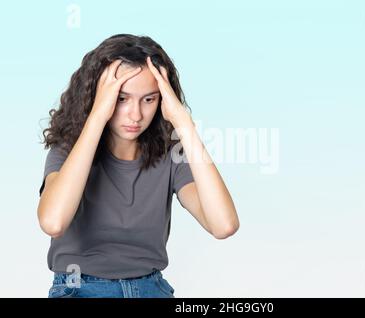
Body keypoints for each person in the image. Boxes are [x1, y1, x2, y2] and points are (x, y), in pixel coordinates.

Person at [37, 34, 239, 298]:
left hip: (151, 288)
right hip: (80, 288)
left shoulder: (169, 156)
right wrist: (97, 115)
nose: (136, 114)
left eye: (149, 99)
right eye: (122, 99)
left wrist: (184, 124)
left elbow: (223, 225)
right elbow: (53, 222)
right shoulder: (69, 151)